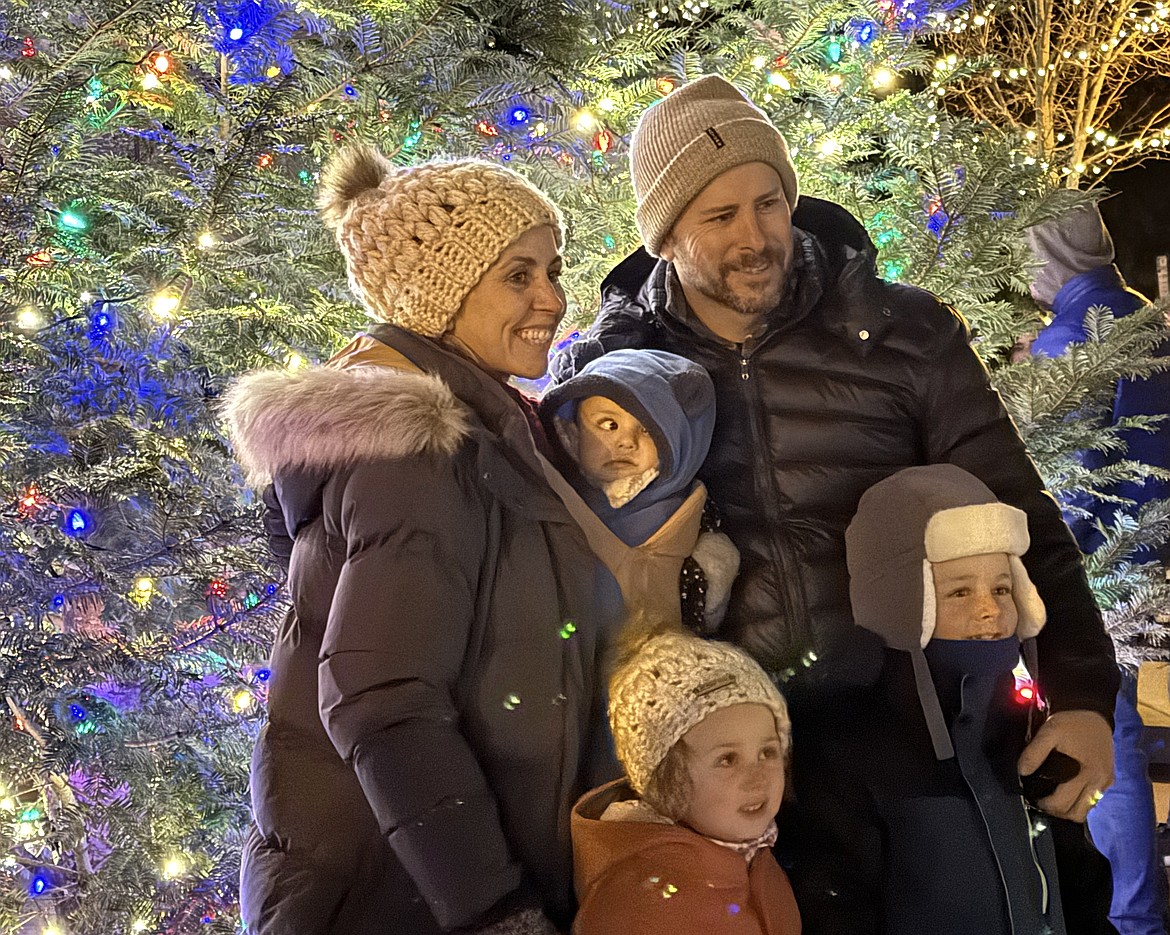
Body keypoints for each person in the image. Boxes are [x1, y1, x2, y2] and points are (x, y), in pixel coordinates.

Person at [551, 73, 1118, 828]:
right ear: (666, 236)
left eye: (769, 204)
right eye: (720, 216)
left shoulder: (904, 335)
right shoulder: (618, 378)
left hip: (923, 741)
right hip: (734, 777)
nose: (754, 239)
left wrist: (1080, 695)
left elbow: (1015, 510)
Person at [224, 146, 622, 934]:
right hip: (393, 895)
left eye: (553, 268)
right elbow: (382, 702)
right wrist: (493, 908)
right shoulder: (417, 447)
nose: (551, 296)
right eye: (518, 274)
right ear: (441, 292)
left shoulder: (491, 429)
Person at [792, 463, 1119, 934]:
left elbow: (1077, 883)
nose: (989, 608)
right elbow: (838, 904)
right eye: (959, 591)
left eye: (1002, 587)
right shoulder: (849, 745)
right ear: (901, 601)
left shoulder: (1027, 726)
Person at [1026, 203, 1170, 935]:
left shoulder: (1068, 344)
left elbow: (1066, 485)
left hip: (1109, 574)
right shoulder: (1146, 319)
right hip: (1159, 563)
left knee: (1105, 735)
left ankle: (1132, 911)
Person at [571, 624, 801, 934]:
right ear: (666, 781)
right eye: (727, 759)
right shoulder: (642, 910)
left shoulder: (749, 847)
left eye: (768, 752)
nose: (757, 776)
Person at [538, 348, 739, 631]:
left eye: (647, 430)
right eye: (608, 425)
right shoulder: (550, 500)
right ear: (572, 432)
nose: (626, 442)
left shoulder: (694, 514)